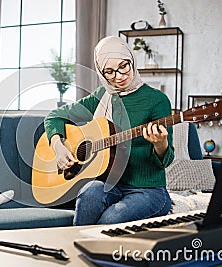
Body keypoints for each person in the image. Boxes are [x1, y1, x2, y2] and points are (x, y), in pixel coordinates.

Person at [44, 36, 174, 225]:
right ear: (101, 73)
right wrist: (58, 145)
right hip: (110, 184)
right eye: (109, 72)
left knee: (111, 218)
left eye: (124, 66)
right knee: (89, 192)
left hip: (149, 190)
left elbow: (166, 161)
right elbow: (55, 116)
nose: (119, 76)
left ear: (132, 60)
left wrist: (160, 144)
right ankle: (74, 248)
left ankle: (92, 251)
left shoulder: (157, 100)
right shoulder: (101, 96)